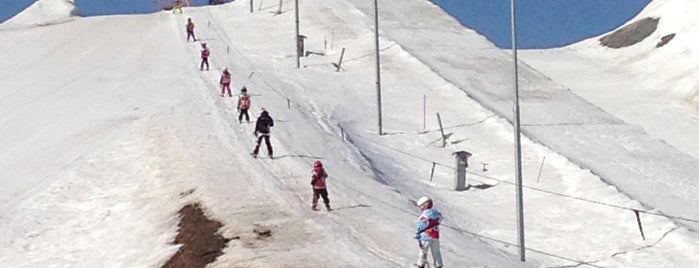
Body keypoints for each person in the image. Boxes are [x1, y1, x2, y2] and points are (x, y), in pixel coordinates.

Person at [414, 196, 443, 268]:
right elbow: (440, 218)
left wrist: (418, 234)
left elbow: (420, 226)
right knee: (436, 251)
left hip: (425, 236)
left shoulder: (424, 215)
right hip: (435, 236)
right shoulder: (436, 213)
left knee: (423, 251)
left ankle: (420, 264)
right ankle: (438, 265)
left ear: (424, 205)